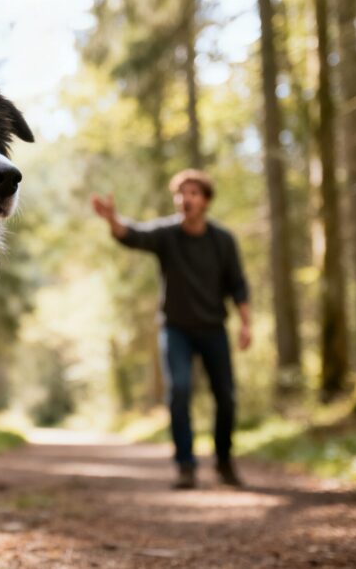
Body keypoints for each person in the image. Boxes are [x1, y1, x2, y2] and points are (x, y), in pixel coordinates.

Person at [91, 169, 251, 489]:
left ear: (205, 200)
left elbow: (238, 285)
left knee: (227, 398)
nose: (185, 199)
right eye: (181, 194)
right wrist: (112, 219)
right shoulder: (167, 234)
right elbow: (131, 234)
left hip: (213, 329)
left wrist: (246, 324)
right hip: (176, 329)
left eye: (192, 193)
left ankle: (223, 461)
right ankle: (186, 466)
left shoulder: (223, 240)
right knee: (179, 390)